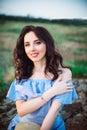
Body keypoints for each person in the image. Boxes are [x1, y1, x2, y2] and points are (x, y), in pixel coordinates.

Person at [6, 25, 78, 130]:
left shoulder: (63, 74)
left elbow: (54, 111)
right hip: (24, 125)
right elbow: (21, 111)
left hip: (51, 126)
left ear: (47, 44)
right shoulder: (22, 73)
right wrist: (52, 92)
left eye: (38, 43)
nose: (32, 49)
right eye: (27, 45)